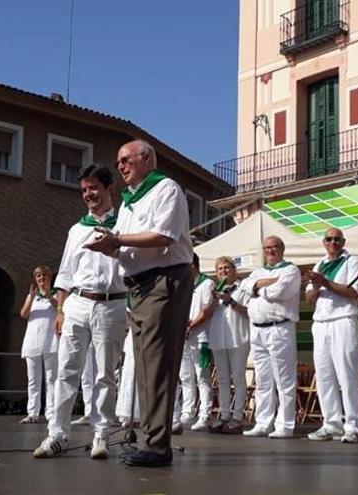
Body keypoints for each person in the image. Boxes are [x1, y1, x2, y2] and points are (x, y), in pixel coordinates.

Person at [85, 140, 194, 468]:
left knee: (159, 365)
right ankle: (150, 441)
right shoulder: (130, 201)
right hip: (140, 286)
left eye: (125, 159)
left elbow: (164, 236)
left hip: (163, 281)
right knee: (147, 367)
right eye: (118, 161)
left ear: (146, 159)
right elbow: (124, 244)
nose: (119, 166)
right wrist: (110, 246)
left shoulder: (165, 189)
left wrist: (116, 241)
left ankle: (158, 447)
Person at [33, 164, 128, 461]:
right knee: (66, 371)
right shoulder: (76, 229)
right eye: (85, 190)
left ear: (109, 188)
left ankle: (101, 433)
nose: (89, 195)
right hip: (77, 303)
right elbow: (65, 273)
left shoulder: (125, 223)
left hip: (112, 303)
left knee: (104, 374)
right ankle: (57, 434)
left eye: (94, 188)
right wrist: (60, 309)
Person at [305, 228, 358, 443]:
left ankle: (353, 425)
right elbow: (310, 299)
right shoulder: (318, 265)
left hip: (343, 320)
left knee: (347, 375)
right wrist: (315, 286)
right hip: (320, 323)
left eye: (337, 239)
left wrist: (325, 283)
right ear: (323, 242)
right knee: (324, 376)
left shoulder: (352, 262)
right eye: (329, 239)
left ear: (343, 241)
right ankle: (331, 423)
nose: (333, 242)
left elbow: (354, 293)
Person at [241, 236, 301, 439]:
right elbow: (244, 286)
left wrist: (257, 287)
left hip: (280, 328)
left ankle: (285, 424)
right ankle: (263, 421)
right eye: (267, 248)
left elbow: (280, 292)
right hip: (257, 329)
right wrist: (260, 284)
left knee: (284, 379)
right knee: (263, 379)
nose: (271, 251)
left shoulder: (291, 270)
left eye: (275, 247)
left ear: (282, 249)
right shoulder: (258, 271)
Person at [173, 253, 216, 433]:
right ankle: (187, 412)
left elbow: (207, 311)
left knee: (202, 377)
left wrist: (190, 325)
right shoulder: (182, 285)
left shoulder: (207, 284)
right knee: (186, 377)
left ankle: (205, 415)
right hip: (183, 337)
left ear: (192, 265)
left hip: (201, 338)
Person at [208, 256, 251, 434]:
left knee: (238, 377)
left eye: (227, 268)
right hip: (219, 339)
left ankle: (238, 416)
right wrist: (212, 300)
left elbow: (249, 312)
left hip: (238, 338)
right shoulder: (214, 291)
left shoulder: (243, 288)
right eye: (220, 269)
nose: (223, 272)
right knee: (223, 379)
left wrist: (230, 301)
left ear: (234, 270)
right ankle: (224, 415)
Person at [18, 266, 59, 424]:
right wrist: (31, 298)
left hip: (50, 342)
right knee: (33, 380)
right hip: (33, 341)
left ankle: (51, 413)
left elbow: (60, 309)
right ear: (36, 279)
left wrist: (48, 296)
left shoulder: (56, 294)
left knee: (51, 379)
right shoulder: (32, 296)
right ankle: (32, 412)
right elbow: (23, 314)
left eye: (45, 276)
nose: (42, 279)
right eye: (39, 277)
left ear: (50, 278)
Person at [71, 350, 96, 426]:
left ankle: (100, 415)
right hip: (87, 344)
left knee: (101, 377)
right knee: (86, 378)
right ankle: (89, 413)